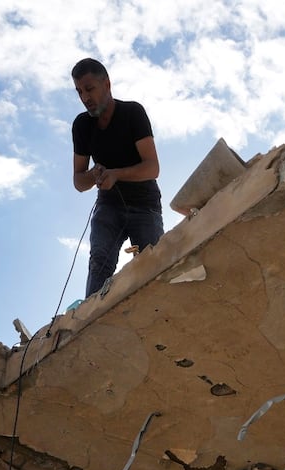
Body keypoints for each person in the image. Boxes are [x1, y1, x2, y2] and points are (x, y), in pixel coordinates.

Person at [70, 57, 163, 298]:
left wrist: (116, 174)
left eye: (89, 89)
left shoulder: (133, 113)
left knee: (153, 265)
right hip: (108, 206)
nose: (85, 98)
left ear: (107, 84)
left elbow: (152, 168)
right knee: (99, 262)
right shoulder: (81, 125)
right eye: (79, 91)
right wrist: (94, 174)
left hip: (145, 206)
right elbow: (79, 182)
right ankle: (91, 323)